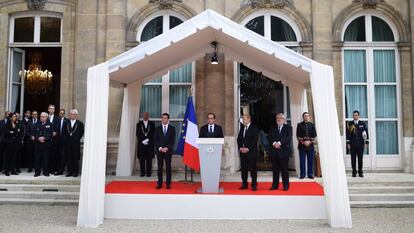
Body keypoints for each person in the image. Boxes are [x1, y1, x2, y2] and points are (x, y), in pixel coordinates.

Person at [268, 113, 292, 191]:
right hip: (274, 152)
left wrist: (279, 143)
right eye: (277, 118)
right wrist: (274, 143)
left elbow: (288, 138)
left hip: (284, 152)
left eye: (281, 118)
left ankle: (286, 186)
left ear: (284, 119)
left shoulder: (288, 128)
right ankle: (275, 185)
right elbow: (269, 137)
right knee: (275, 170)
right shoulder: (272, 128)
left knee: (284, 170)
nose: (279, 119)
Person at [237, 114, 259, 191]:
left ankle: (254, 185)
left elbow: (254, 140)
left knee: (253, 170)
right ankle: (244, 184)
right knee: (244, 169)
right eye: (243, 119)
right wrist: (240, 148)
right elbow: (239, 139)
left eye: (244, 119)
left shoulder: (254, 128)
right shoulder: (242, 128)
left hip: (251, 152)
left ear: (249, 119)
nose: (243, 121)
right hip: (242, 152)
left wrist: (247, 148)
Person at [154, 113, 175, 189]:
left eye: (166, 118)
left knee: (168, 167)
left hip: (168, 151)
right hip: (159, 151)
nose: (164, 119)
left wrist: (167, 148)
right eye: (163, 118)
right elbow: (155, 140)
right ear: (161, 119)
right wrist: (160, 148)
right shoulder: (157, 128)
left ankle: (168, 183)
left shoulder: (172, 128)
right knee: (160, 167)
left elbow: (172, 140)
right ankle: (159, 183)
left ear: (168, 119)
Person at [346, 110, 369, 177]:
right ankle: (354, 171)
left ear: (358, 116)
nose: (355, 116)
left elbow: (366, 133)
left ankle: (360, 171)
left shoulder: (362, 123)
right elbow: (348, 134)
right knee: (353, 159)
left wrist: (366, 142)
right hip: (352, 144)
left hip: (360, 144)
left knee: (360, 159)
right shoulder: (350, 124)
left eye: (356, 115)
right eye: (353, 115)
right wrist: (348, 143)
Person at [62, 109, 84, 177]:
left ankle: (75, 172)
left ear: (76, 115)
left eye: (74, 114)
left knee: (75, 158)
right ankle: (70, 172)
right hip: (68, 143)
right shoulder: (66, 123)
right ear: (69, 115)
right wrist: (66, 140)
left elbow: (81, 132)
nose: (72, 115)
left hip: (75, 143)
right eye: (71, 114)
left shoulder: (80, 123)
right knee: (69, 158)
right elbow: (64, 132)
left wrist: (76, 139)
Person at [296, 112, 317, 179]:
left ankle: (310, 174)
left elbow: (314, 135)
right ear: (303, 117)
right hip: (302, 146)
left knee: (310, 160)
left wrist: (309, 142)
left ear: (309, 117)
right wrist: (304, 142)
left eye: (307, 116)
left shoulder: (312, 125)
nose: (306, 117)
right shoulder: (299, 125)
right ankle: (302, 174)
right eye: (305, 116)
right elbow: (298, 136)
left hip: (310, 146)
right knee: (302, 160)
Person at [33, 112, 54, 177]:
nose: (42, 118)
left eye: (43, 117)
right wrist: (38, 138)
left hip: (46, 145)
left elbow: (50, 133)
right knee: (37, 159)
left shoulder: (50, 124)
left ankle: (46, 172)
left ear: (46, 117)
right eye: (41, 116)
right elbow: (34, 133)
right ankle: (37, 172)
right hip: (38, 144)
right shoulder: (36, 124)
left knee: (46, 159)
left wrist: (44, 138)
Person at [136, 112, 155, 177]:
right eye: (144, 115)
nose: (145, 116)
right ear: (142, 116)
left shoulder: (152, 124)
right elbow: (137, 134)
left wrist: (148, 140)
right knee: (142, 159)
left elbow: (153, 134)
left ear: (148, 116)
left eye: (147, 115)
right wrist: (142, 141)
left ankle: (149, 173)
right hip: (141, 145)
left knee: (149, 159)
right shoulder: (139, 124)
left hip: (149, 144)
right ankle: (142, 172)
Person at [54, 109, 69, 175]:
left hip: (64, 142)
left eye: (63, 113)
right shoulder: (56, 120)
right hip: (56, 141)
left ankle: (61, 170)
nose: (61, 114)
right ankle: (57, 169)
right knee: (57, 156)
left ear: (64, 114)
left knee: (63, 156)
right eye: (60, 113)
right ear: (59, 113)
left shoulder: (67, 121)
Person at [47, 104, 60, 174]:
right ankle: (46, 169)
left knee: (54, 155)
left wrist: (55, 132)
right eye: (50, 108)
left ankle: (53, 169)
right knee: (47, 155)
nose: (52, 110)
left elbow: (57, 128)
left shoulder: (57, 118)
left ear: (54, 110)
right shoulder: (45, 117)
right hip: (46, 140)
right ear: (48, 109)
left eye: (53, 109)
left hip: (54, 140)